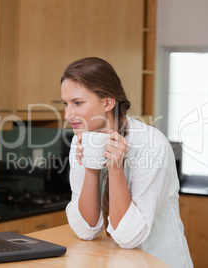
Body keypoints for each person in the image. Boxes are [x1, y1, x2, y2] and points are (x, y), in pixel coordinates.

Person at [60, 57, 193, 268]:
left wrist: (115, 170)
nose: (68, 114)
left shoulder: (151, 144)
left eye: (77, 103)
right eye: (65, 104)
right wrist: (91, 169)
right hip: (117, 262)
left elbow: (129, 237)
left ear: (107, 103)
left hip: (158, 262)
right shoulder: (81, 143)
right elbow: (86, 230)